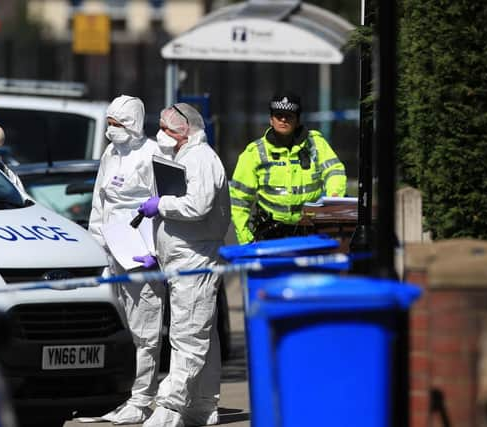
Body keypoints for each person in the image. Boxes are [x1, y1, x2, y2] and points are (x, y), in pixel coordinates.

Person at [136, 103, 229, 427]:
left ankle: (169, 408)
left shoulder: (201, 158)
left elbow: (198, 206)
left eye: (166, 126)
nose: (160, 132)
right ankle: (203, 405)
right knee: (203, 335)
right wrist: (157, 252)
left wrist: (160, 204)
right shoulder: (183, 157)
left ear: (185, 129)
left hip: (195, 259)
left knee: (188, 336)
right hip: (182, 257)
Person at [87, 95, 165, 425]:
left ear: (133, 124)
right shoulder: (110, 153)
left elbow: (165, 206)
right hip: (111, 247)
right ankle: (117, 396)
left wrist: (156, 252)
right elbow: (99, 200)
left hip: (140, 250)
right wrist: (95, 243)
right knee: (119, 326)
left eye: (117, 124)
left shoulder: (153, 154)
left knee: (145, 326)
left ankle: (142, 397)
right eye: (108, 123)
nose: (110, 130)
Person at [229, 92, 347, 244]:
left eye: (289, 116)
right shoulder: (254, 153)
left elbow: (334, 171)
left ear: (297, 120)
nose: (283, 120)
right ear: (271, 120)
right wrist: (246, 239)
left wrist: (334, 196)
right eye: (279, 115)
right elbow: (239, 200)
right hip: (270, 236)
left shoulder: (316, 144)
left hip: (312, 233)